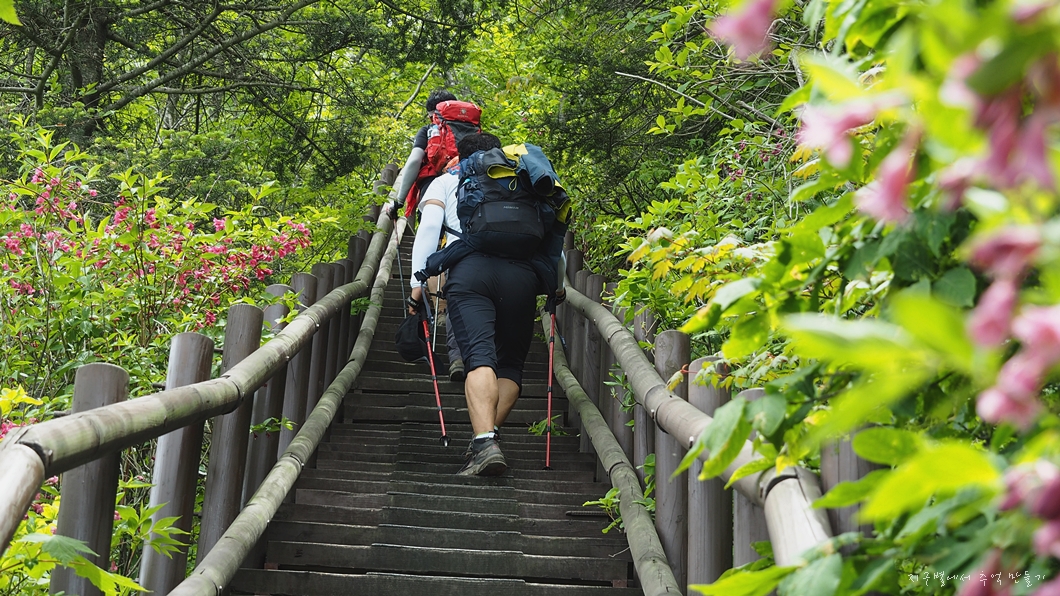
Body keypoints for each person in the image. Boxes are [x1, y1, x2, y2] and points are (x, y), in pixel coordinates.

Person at [408, 132, 568, 477]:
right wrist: (556, 288)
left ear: (461, 156)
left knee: (480, 356)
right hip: (522, 277)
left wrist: (416, 287)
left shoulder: (448, 180)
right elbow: (554, 241)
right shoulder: (522, 178)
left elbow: (430, 227)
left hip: (471, 274)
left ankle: (484, 443)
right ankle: (487, 437)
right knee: (510, 365)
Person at [388, 88, 466, 381]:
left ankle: (435, 306)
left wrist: (398, 201)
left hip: (432, 196)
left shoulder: (430, 130)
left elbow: (413, 163)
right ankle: (451, 314)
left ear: (432, 111)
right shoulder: (469, 131)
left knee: (432, 251)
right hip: (462, 197)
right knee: (455, 247)